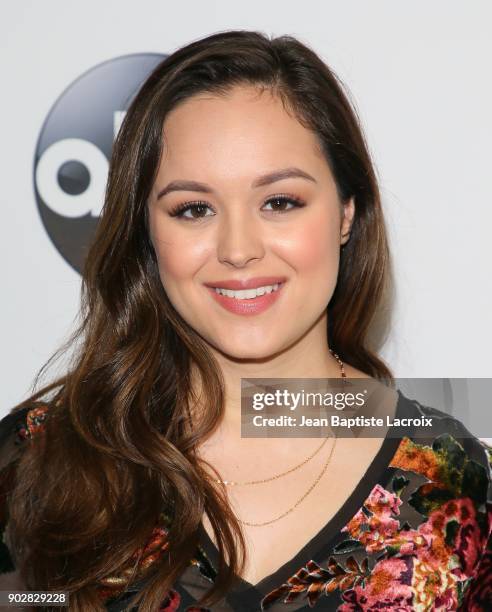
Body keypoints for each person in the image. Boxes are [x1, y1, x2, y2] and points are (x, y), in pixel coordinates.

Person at [0, 30, 490, 612]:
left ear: (346, 214)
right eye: (194, 209)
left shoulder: (449, 481)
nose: (238, 248)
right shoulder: (40, 459)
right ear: (148, 235)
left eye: (279, 201)